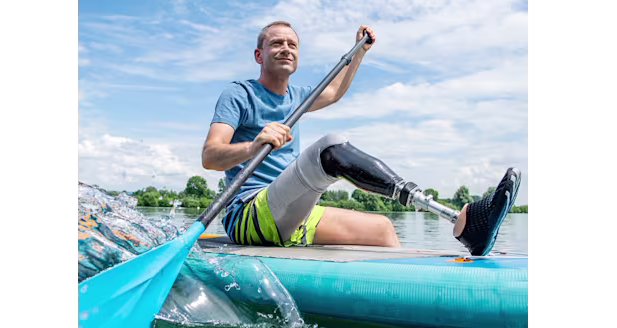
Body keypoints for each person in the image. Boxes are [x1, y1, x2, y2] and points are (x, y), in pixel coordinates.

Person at [202, 21, 520, 256]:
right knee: (330, 148)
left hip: (289, 215)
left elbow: (334, 91)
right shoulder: (239, 94)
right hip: (247, 215)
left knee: (382, 228)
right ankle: (458, 219)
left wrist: (359, 53)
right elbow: (210, 156)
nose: (286, 48)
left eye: (292, 44)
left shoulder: (297, 97)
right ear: (259, 55)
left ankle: (400, 303)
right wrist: (254, 144)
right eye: (276, 43)